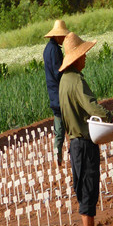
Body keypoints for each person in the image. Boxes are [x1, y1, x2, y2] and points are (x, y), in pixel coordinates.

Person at [58, 32, 113, 226]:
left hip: (73, 144)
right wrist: (112, 116)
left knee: (80, 185)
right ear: (76, 58)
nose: (85, 57)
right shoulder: (77, 80)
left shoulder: (63, 82)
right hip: (85, 142)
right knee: (88, 185)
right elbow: (91, 106)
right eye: (84, 54)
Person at [43, 20, 70, 167]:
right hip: (59, 95)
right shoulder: (53, 50)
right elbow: (57, 73)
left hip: (54, 95)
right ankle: (61, 155)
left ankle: (57, 155)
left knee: (59, 128)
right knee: (67, 125)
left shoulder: (49, 48)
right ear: (57, 36)